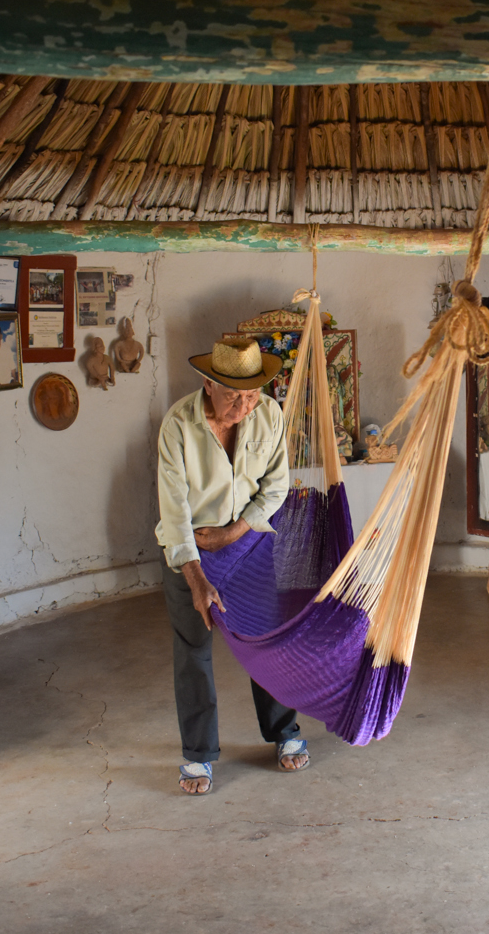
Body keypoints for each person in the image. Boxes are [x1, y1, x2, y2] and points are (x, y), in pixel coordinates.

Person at [155, 336, 307, 796]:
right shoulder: (178, 425)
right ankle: (199, 755)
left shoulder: (269, 415)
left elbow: (276, 488)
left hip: (248, 544)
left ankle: (283, 731)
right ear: (207, 383)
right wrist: (198, 577)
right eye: (232, 395)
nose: (244, 405)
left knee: (266, 641)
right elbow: (174, 512)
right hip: (191, 551)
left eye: (252, 394)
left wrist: (233, 533)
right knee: (194, 651)